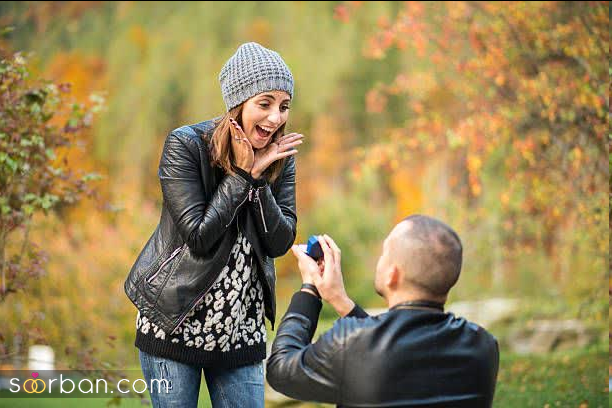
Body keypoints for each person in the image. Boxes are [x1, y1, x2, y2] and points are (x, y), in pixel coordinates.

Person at [123, 42, 303, 408]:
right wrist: (241, 175)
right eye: (265, 104)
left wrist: (259, 181)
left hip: (240, 329)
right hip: (175, 322)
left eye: (283, 106)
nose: (275, 119)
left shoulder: (279, 157)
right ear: (238, 102)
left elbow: (279, 242)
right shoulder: (186, 146)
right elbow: (200, 236)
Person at [267, 214, 500, 408]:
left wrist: (309, 288)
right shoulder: (483, 346)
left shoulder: (352, 342)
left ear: (393, 274)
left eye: (384, 254)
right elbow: (390, 354)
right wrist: (340, 301)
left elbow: (281, 370)